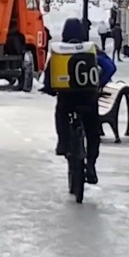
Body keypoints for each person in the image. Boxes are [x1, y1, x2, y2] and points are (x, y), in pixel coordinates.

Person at [41, 17, 116, 186]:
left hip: (67, 98)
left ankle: (63, 142)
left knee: (60, 113)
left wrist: (49, 88)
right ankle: (91, 165)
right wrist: (98, 83)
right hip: (88, 97)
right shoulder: (91, 49)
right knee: (92, 132)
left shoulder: (59, 51)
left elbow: (49, 74)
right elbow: (110, 67)